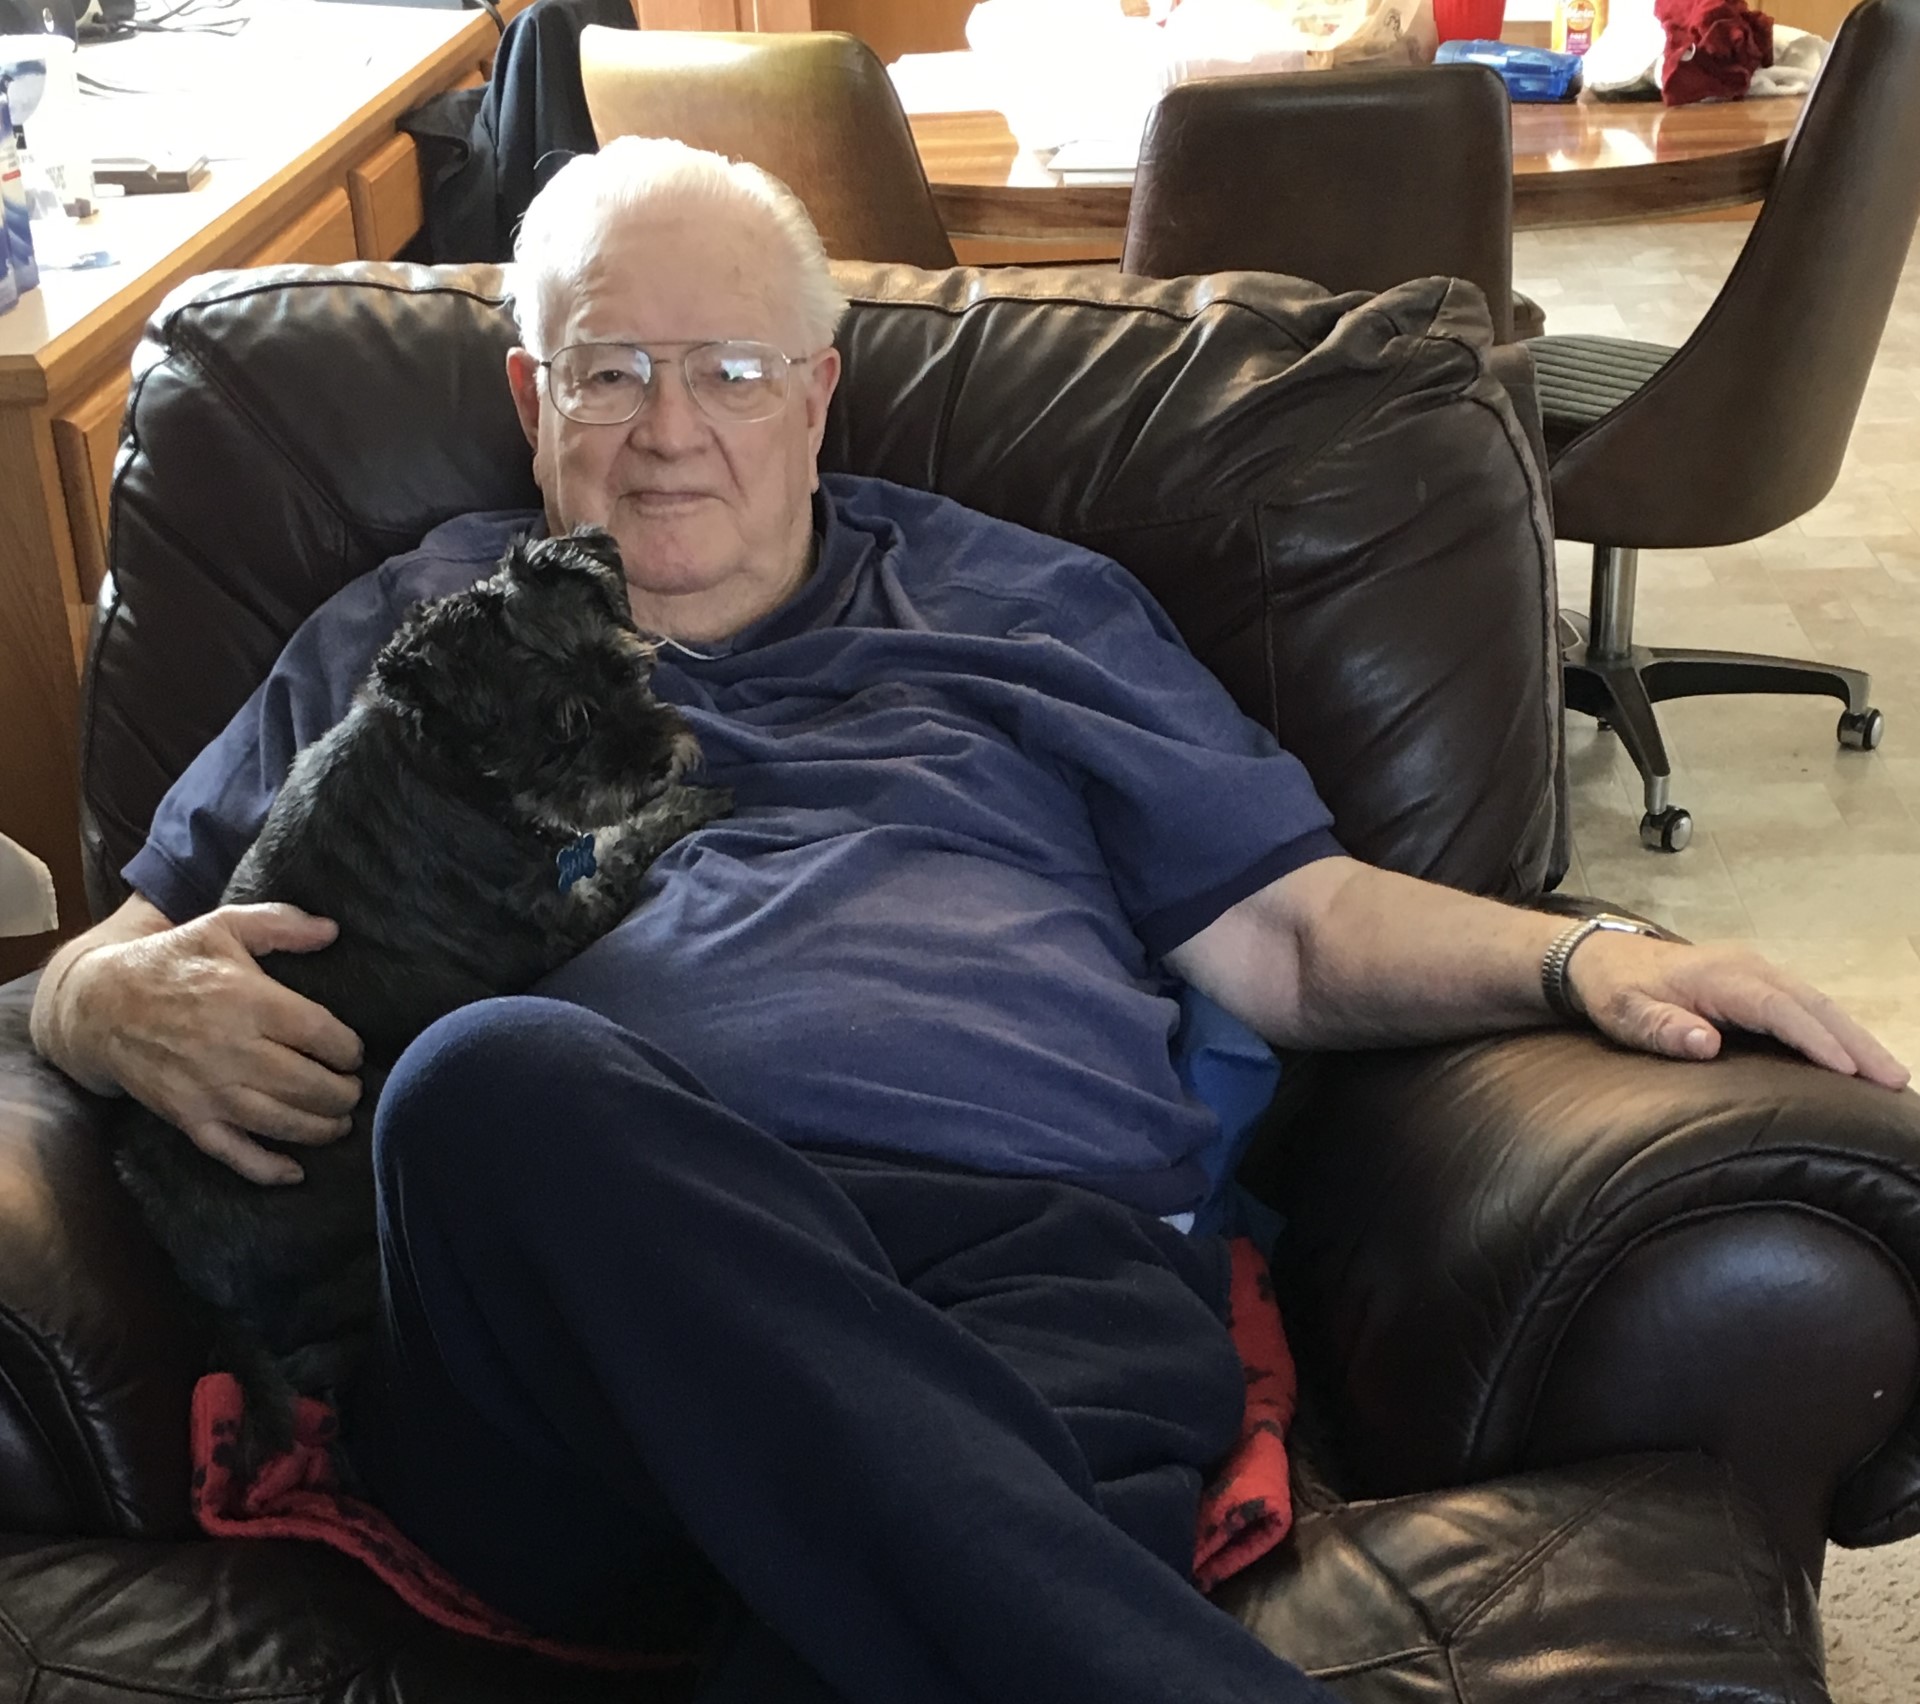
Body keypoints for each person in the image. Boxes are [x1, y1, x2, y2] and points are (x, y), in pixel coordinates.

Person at [28, 137, 1908, 1704]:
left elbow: (1297, 934)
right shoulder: (404, 632)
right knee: (488, 1082)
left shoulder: (1025, 606)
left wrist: (1588, 955)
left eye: (730, 370)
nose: (668, 430)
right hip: (552, 1349)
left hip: (1027, 1273)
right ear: (532, 400)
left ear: (818, 393)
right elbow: (119, 941)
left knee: (860, 1615)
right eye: (608, 371)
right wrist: (96, 1010)